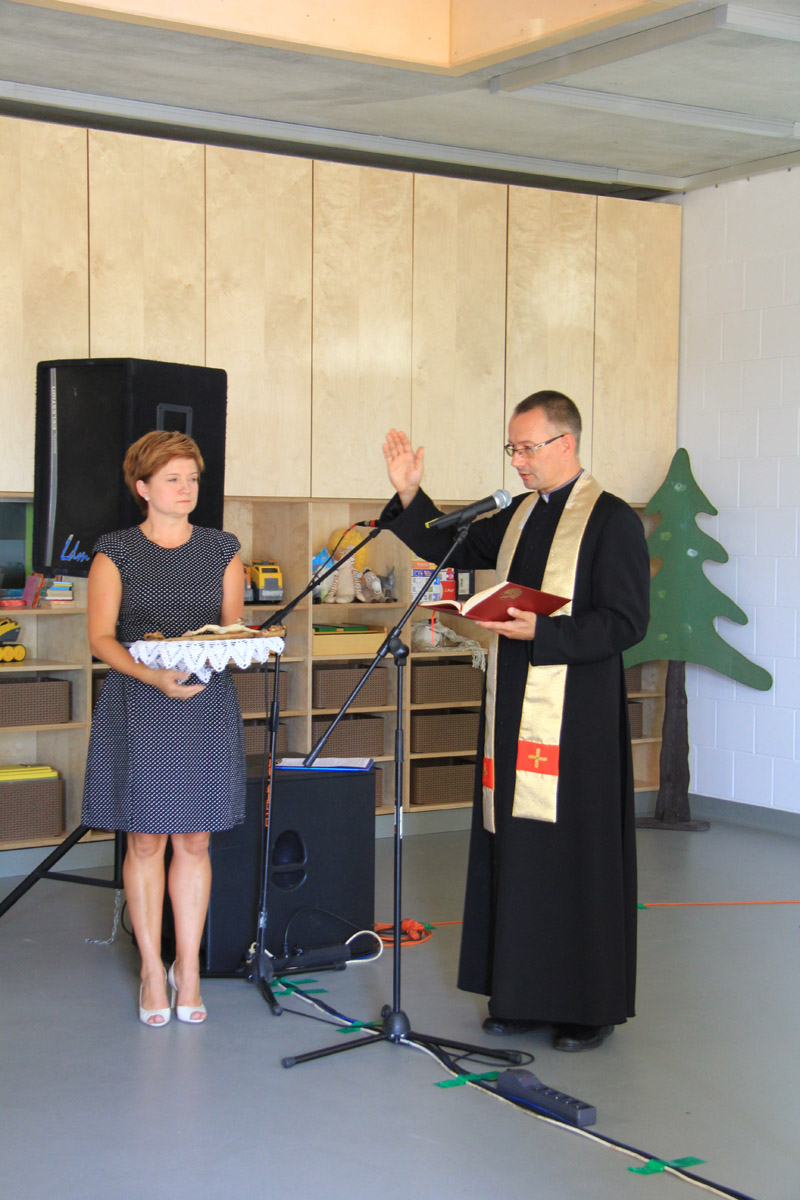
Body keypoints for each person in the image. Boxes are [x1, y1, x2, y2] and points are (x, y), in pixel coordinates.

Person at [381, 391, 650, 1051]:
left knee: (573, 852)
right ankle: (521, 994)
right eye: (514, 448)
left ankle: (585, 1007)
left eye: (528, 448)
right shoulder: (520, 514)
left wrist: (544, 633)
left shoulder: (611, 520)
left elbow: (626, 622)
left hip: (576, 718)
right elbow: (452, 547)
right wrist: (411, 495)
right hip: (512, 708)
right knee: (518, 849)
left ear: (567, 442)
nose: (519, 461)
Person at [82, 430, 246, 1028]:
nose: (186, 489)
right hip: (139, 703)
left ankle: (189, 967)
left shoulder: (223, 549)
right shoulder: (115, 550)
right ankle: (153, 967)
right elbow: (101, 638)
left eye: (192, 479)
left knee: (195, 841)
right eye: (172, 479)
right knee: (146, 841)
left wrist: (222, 649)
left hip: (203, 702)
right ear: (143, 487)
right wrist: (152, 672)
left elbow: (230, 632)